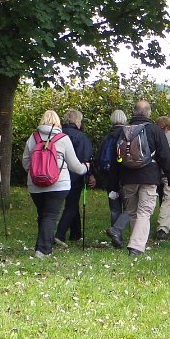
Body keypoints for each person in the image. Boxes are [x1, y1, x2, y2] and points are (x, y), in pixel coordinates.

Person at [21, 110, 89, 258]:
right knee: (50, 215)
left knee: (43, 214)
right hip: (58, 184)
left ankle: (43, 245)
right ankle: (43, 250)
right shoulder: (62, 138)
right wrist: (86, 168)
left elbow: (25, 161)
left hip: (35, 184)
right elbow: (75, 166)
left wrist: (36, 172)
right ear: (58, 122)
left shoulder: (33, 137)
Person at [119, 100, 170, 257]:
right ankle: (136, 246)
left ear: (134, 111)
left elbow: (116, 157)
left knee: (132, 211)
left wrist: (114, 181)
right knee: (144, 211)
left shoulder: (124, 130)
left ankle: (135, 242)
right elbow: (165, 157)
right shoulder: (154, 130)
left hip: (127, 176)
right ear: (149, 112)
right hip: (149, 176)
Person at [54, 109, 95, 247]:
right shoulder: (81, 137)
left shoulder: (58, 135)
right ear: (77, 121)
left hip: (56, 174)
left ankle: (76, 233)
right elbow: (86, 158)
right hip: (75, 175)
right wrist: (89, 174)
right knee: (71, 205)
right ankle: (60, 234)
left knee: (72, 204)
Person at [102, 110, 131, 249]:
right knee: (131, 207)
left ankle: (117, 238)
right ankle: (116, 230)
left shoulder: (107, 137)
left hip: (110, 177)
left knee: (114, 209)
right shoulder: (127, 134)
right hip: (124, 176)